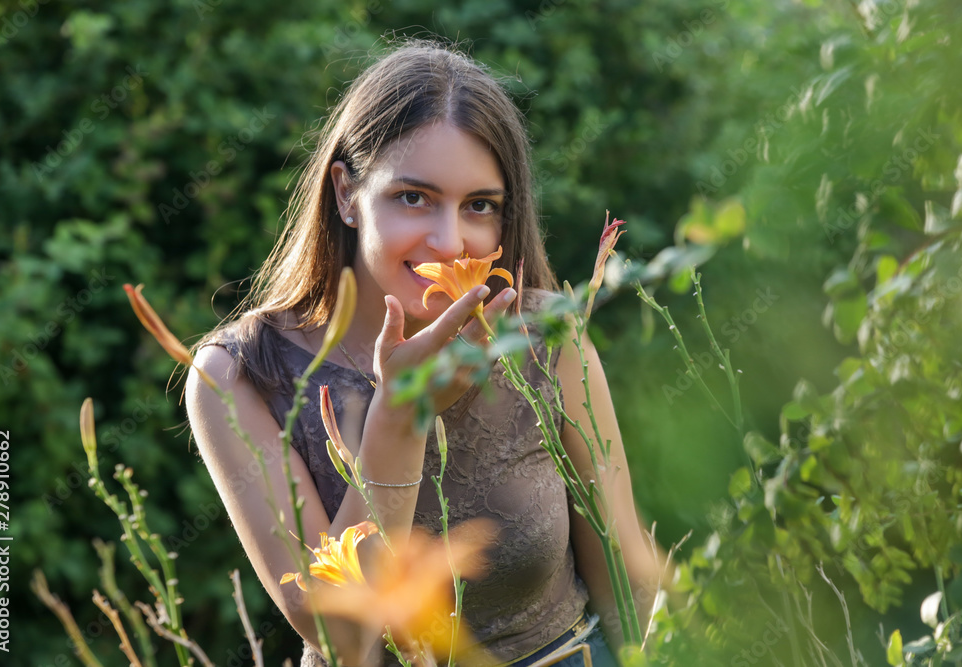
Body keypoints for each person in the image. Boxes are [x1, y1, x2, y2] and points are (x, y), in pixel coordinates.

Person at [185, 39, 657, 667]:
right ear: (347, 194)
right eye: (413, 197)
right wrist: (402, 415)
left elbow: (626, 577)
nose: (449, 239)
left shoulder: (546, 337)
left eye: (479, 206)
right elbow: (342, 638)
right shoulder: (240, 374)